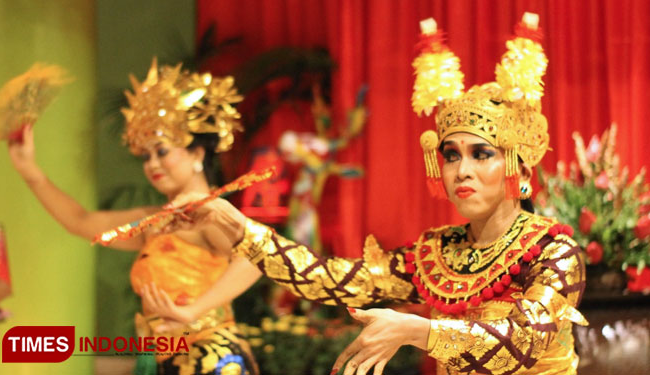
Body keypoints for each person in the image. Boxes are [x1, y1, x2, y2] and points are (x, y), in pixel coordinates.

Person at [146, 13, 587, 375]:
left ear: (520, 168)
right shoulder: (438, 254)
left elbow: (523, 340)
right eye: (451, 155)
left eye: (481, 154)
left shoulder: (553, 252)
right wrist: (236, 225)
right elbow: (332, 278)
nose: (462, 170)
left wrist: (416, 331)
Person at [7, 59, 259, 375]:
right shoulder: (155, 221)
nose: (152, 163)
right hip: (164, 359)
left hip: (211, 359)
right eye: (145, 155)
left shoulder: (207, 212)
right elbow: (80, 221)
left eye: (162, 151)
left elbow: (254, 258)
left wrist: (193, 310)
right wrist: (30, 172)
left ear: (197, 153)